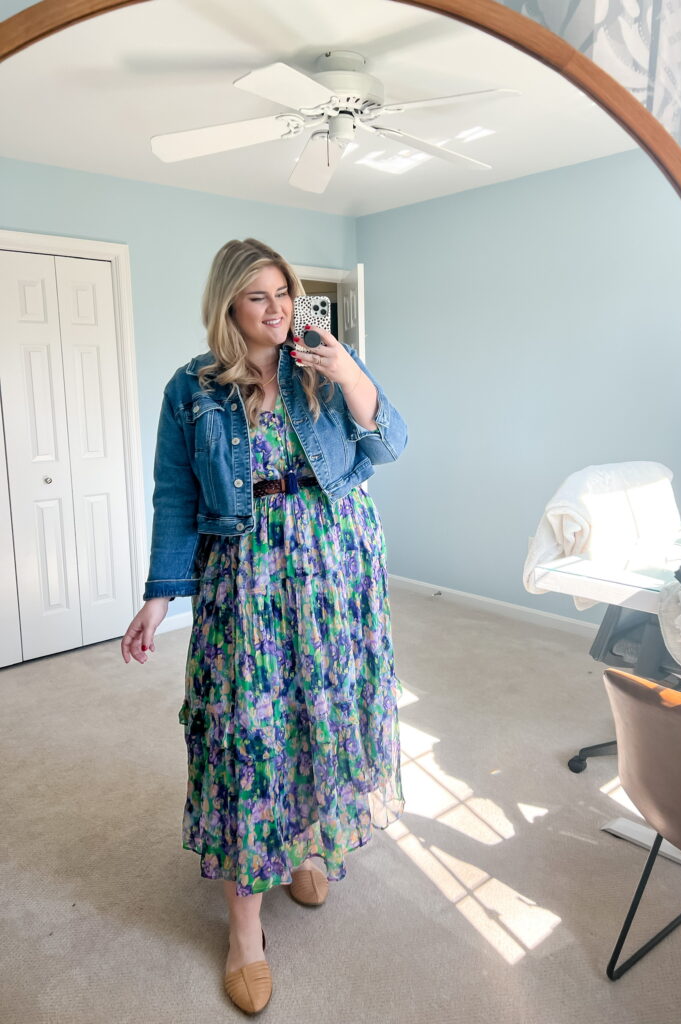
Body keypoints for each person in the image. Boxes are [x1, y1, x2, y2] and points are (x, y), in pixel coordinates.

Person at [120, 238, 407, 1015]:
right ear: (228, 307)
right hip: (244, 574)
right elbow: (176, 495)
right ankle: (245, 931)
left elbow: (392, 443)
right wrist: (159, 594)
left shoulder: (324, 361)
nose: (278, 308)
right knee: (249, 732)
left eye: (284, 292)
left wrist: (346, 371)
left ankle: (304, 842)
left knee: (318, 717)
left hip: (335, 564)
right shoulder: (194, 388)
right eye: (259, 297)